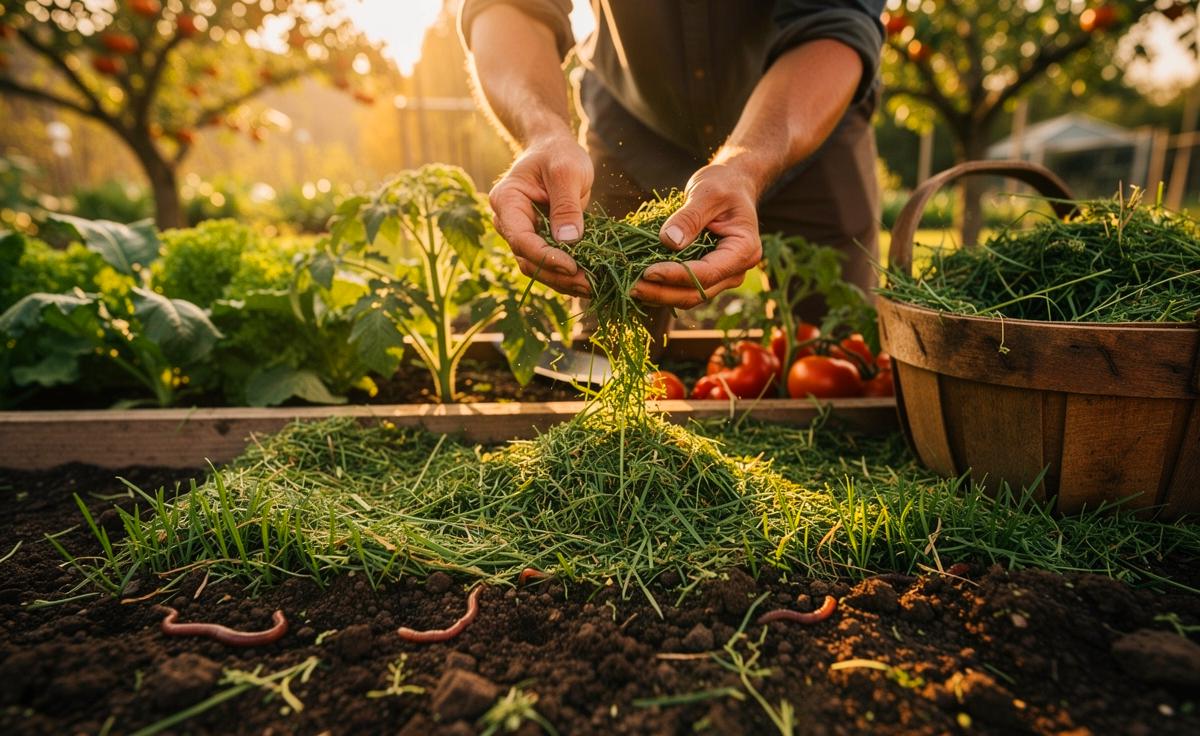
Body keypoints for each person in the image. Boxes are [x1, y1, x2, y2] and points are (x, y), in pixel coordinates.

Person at [458, 1, 884, 314]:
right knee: (605, 343)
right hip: (632, 131)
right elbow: (511, 6)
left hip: (804, 122)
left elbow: (835, 20)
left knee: (836, 351)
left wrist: (745, 166)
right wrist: (543, 135)